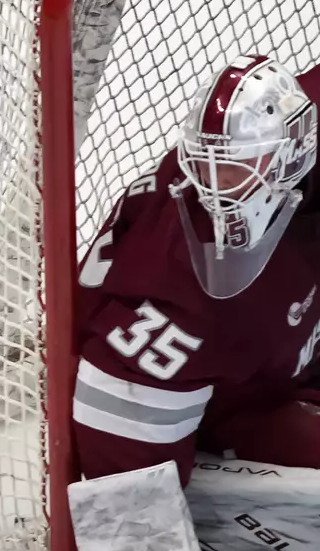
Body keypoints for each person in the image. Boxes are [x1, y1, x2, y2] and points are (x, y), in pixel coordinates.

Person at [73, 54, 320, 481]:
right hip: (215, 403)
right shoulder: (182, 294)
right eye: (209, 166)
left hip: (280, 358)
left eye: (232, 168)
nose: (216, 187)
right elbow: (131, 501)